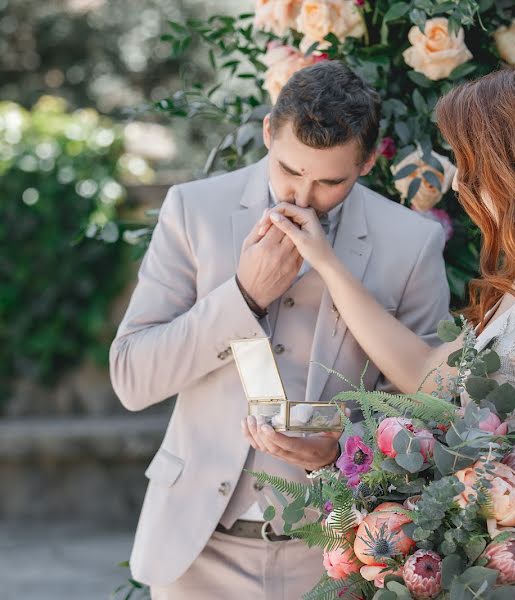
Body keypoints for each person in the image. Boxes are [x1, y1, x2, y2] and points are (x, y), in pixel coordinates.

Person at [259, 68, 515, 599]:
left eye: (468, 161)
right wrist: (326, 261)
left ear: (514, 169)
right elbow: (423, 374)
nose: (456, 181)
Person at [109, 61, 451, 599]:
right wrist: (243, 295)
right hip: (197, 551)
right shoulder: (193, 210)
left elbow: (427, 411)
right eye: (289, 169)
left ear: (365, 161)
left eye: (330, 181)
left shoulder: (411, 243)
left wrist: (338, 452)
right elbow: (131, 378)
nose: (302, 197)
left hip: (337, 552)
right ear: (269, 132)